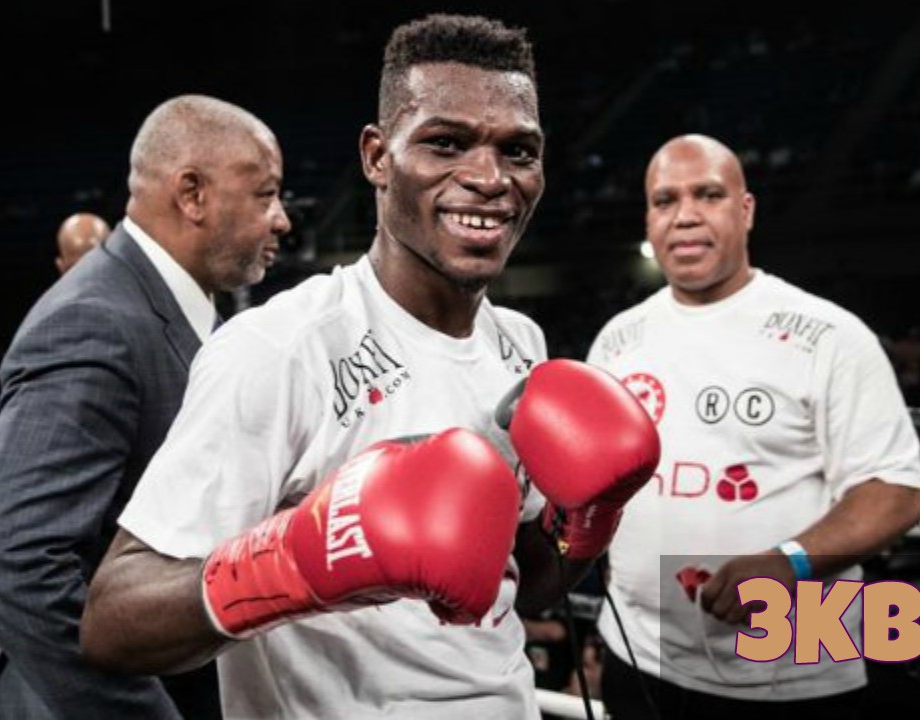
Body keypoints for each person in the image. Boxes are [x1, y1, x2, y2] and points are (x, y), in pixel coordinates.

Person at [80, 14, 658, 720]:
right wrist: (296, 560)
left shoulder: (520, 343)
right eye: (446, 143)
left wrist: (589, 518)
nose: (489, 178)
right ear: (378, 157)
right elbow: (112, 624)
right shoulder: (281, 348)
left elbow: (524, 587)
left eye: (518, 151)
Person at [0, 94, 291, 720]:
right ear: (192, 195)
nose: (282, 221)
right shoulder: (95, 322)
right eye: (266, 195)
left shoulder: (187, 316)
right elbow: (8, 561)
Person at [588, 134, 920, 719]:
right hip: (638, 653)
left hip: (791, 670)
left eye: (708, 195)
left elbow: (896, 491)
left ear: (746, 210)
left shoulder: (829, 335)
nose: (685, 215)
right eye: (665, 200)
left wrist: (787, 561)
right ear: (648, 220)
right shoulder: (618, 339)